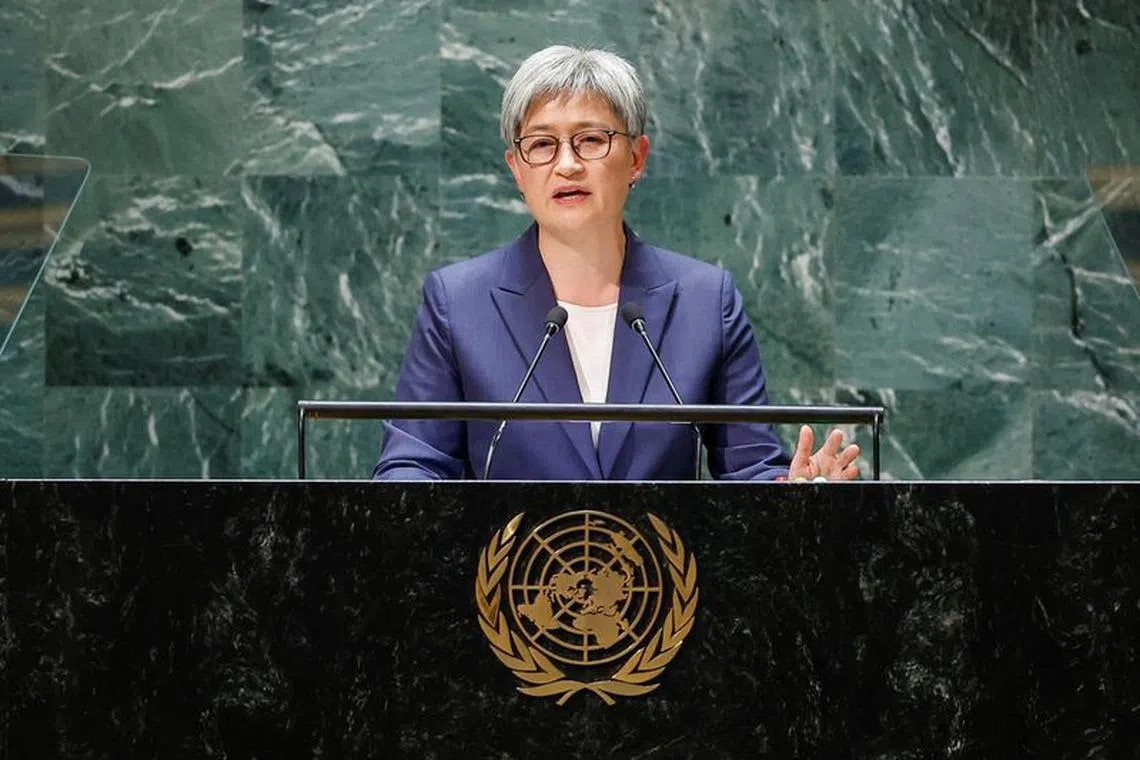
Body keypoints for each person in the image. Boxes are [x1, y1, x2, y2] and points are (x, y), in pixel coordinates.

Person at [373, 45, 859, 482]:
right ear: (516, 169)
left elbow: (751, 467)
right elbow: (413, 463)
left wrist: (792, 492)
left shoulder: (705, 301)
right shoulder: (459, 302)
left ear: (636, 158)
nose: (567, 164)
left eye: (591, 140)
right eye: (542, 144)